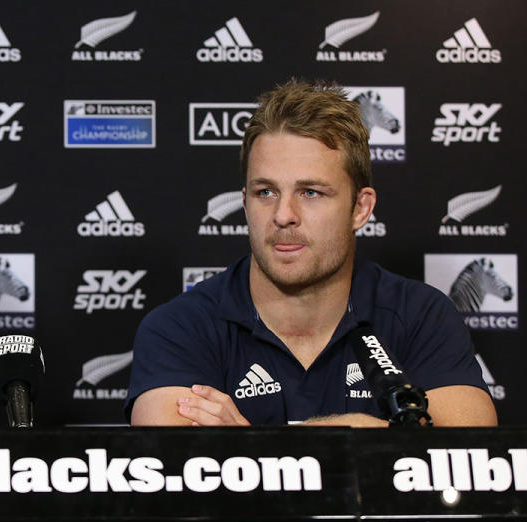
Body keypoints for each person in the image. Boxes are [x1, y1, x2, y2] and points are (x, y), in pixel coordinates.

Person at [127, 80, 496, 427]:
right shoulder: (181, 326)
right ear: (244, 202)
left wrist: (248, 444)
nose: (283, 215)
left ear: (360, 209)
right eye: (265, 192)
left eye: (311, 192)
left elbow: (467, 453)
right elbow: (171, 463)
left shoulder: (420, 316)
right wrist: (379, 433)